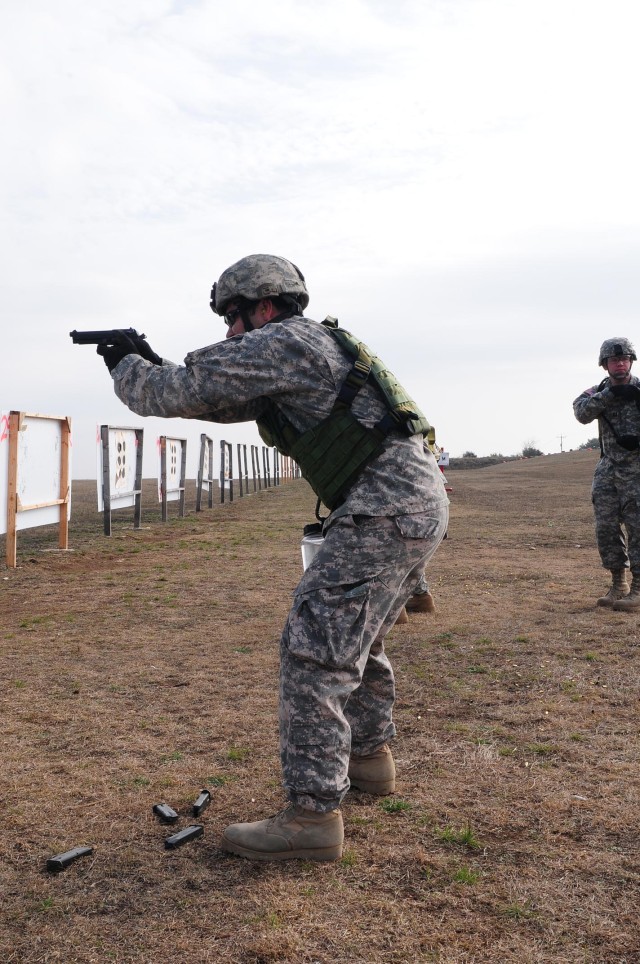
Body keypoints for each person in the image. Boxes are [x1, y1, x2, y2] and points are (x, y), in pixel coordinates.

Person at [97, 254, 449, 861]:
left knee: (313, 654)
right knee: (358, 643)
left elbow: (175, 390)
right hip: (405, 507)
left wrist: (125, 363)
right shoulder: (309, 347)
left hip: (383, 512)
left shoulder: (285, 340)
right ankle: (369, 762)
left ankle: (312, 818)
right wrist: (151, 361)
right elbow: (215, 401)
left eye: (233, 318)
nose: (230, 332)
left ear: (263, 306)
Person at [573, 337, 640, 611]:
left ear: (632, 361)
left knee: (638, 529)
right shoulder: (597, 392)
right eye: (614, 360)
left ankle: (638, 589)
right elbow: (581, 412)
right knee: (606, 528)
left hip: (637, 470)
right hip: (608, 470)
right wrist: (610, 394)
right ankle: (618, 584)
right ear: (605, 365)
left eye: (624, 359)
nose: (620, 363)